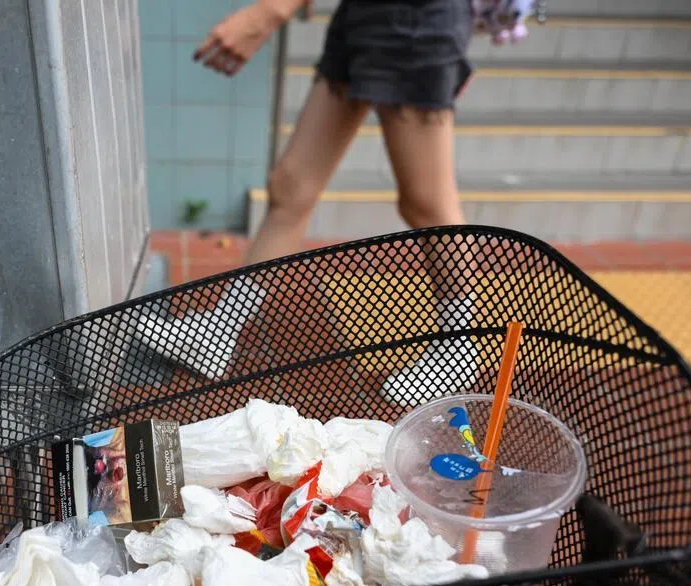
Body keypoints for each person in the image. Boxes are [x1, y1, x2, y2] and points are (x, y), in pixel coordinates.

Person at [138, 0, 523, 404]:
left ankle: (459, 349)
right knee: (292, 185)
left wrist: (270, 11)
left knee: (426, 202)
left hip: (417, 22)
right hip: (362, 15)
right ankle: (219, 329)